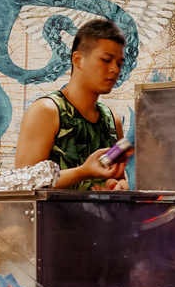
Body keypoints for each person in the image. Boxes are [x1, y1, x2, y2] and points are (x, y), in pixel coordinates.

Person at [15, 19, 131, 190]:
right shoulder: (47, 111)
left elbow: (120, 178)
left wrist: (118, 187)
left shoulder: (112, 120)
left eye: (119, 63)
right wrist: (83, 172)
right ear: (78, 60)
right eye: (106, 60)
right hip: (50, 217)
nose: (115, 69)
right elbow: (21, 183)